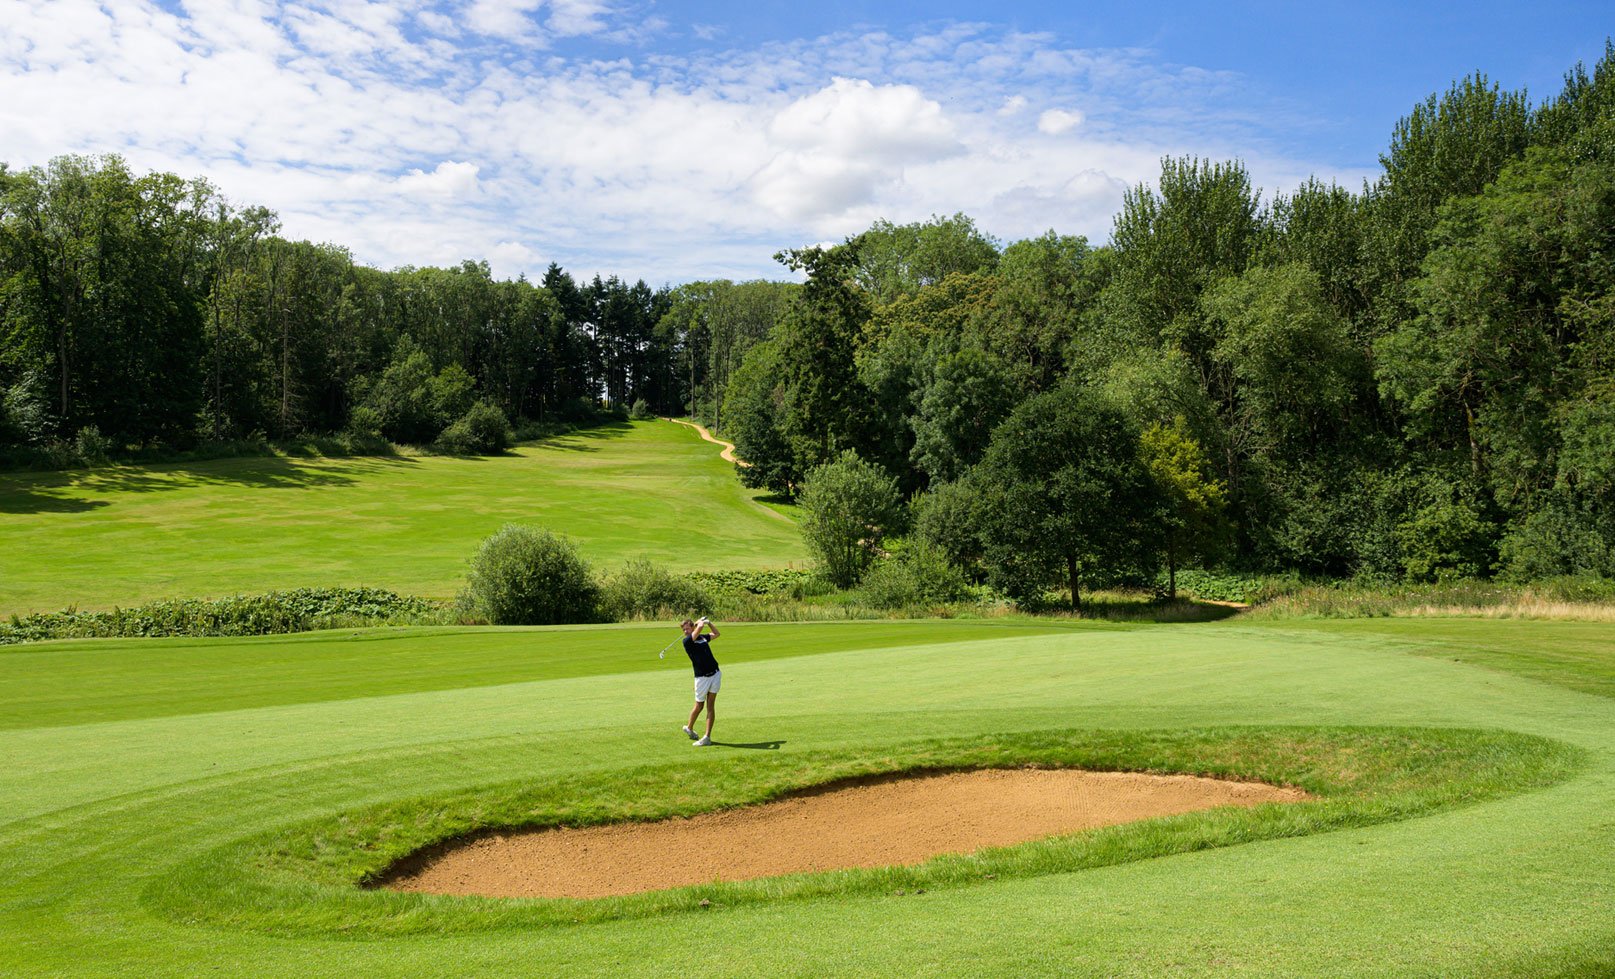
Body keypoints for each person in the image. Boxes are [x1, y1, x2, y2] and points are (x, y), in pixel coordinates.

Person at [679, 616, 721, 747]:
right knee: (699, 706)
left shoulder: (702, 637)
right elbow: (700, 626)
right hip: (702, 678)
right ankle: (689, 728)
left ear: (692, 628)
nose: (685, 631)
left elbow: (716, 634)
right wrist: (699, 622)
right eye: (684, 630)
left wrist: (709, 623)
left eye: (687, 628)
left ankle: (707, 737)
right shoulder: (687, 641)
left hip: (715, 674)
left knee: (710, 706)